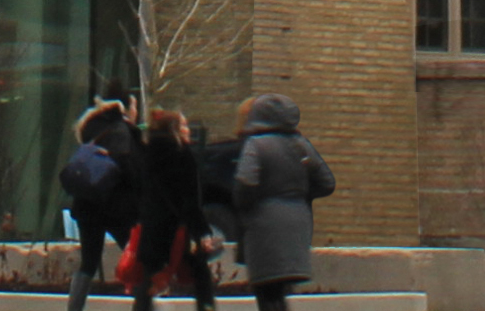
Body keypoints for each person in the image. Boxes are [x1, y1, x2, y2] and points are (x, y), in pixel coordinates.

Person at [226, 95, 334, 311]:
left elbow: (245, 184)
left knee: (266, 291)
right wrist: (299, 196)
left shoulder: (255, 145)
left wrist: (245, 205)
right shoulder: (301, 145)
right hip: (298, 224)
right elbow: (327, 183)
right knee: (281, 293)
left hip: (263, 225)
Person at [121, 109, 216, 305]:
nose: (188, 130)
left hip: (154, 229)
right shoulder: (182, 155)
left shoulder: (148, 153)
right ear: (174, 130)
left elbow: (139, 191)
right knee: (202, 279)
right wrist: (202, 231)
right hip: (179, 230)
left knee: (149, 281)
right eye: (184, 125)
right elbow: (190, 199)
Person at [62, 102, 139, 311]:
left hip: (88, 207)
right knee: (137, 257)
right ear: (125, 110)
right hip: (117, 209)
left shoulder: (93, 130)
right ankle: (144, 305)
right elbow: (129, 169)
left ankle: (74, 309)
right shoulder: (123, 131)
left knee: (88, 263)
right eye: (134, 105)